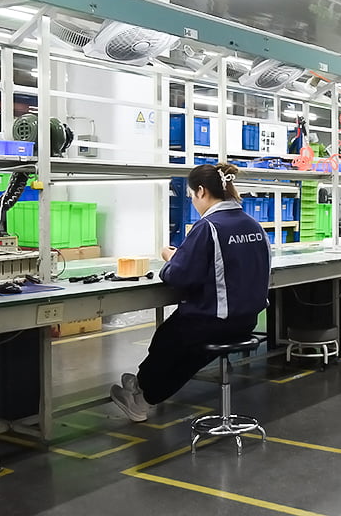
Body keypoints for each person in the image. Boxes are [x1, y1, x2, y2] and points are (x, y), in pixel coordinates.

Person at [110, 164, 271, 422]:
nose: (193, 202)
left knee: (169, 339)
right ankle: (142, 388)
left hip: (215, 321)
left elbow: (180, 276)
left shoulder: (209, 227)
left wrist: (170, 258)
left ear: (201, 191)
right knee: (187, 346)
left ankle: (142, 395)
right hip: (247, 320)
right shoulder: (254, 226)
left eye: (192, 196)